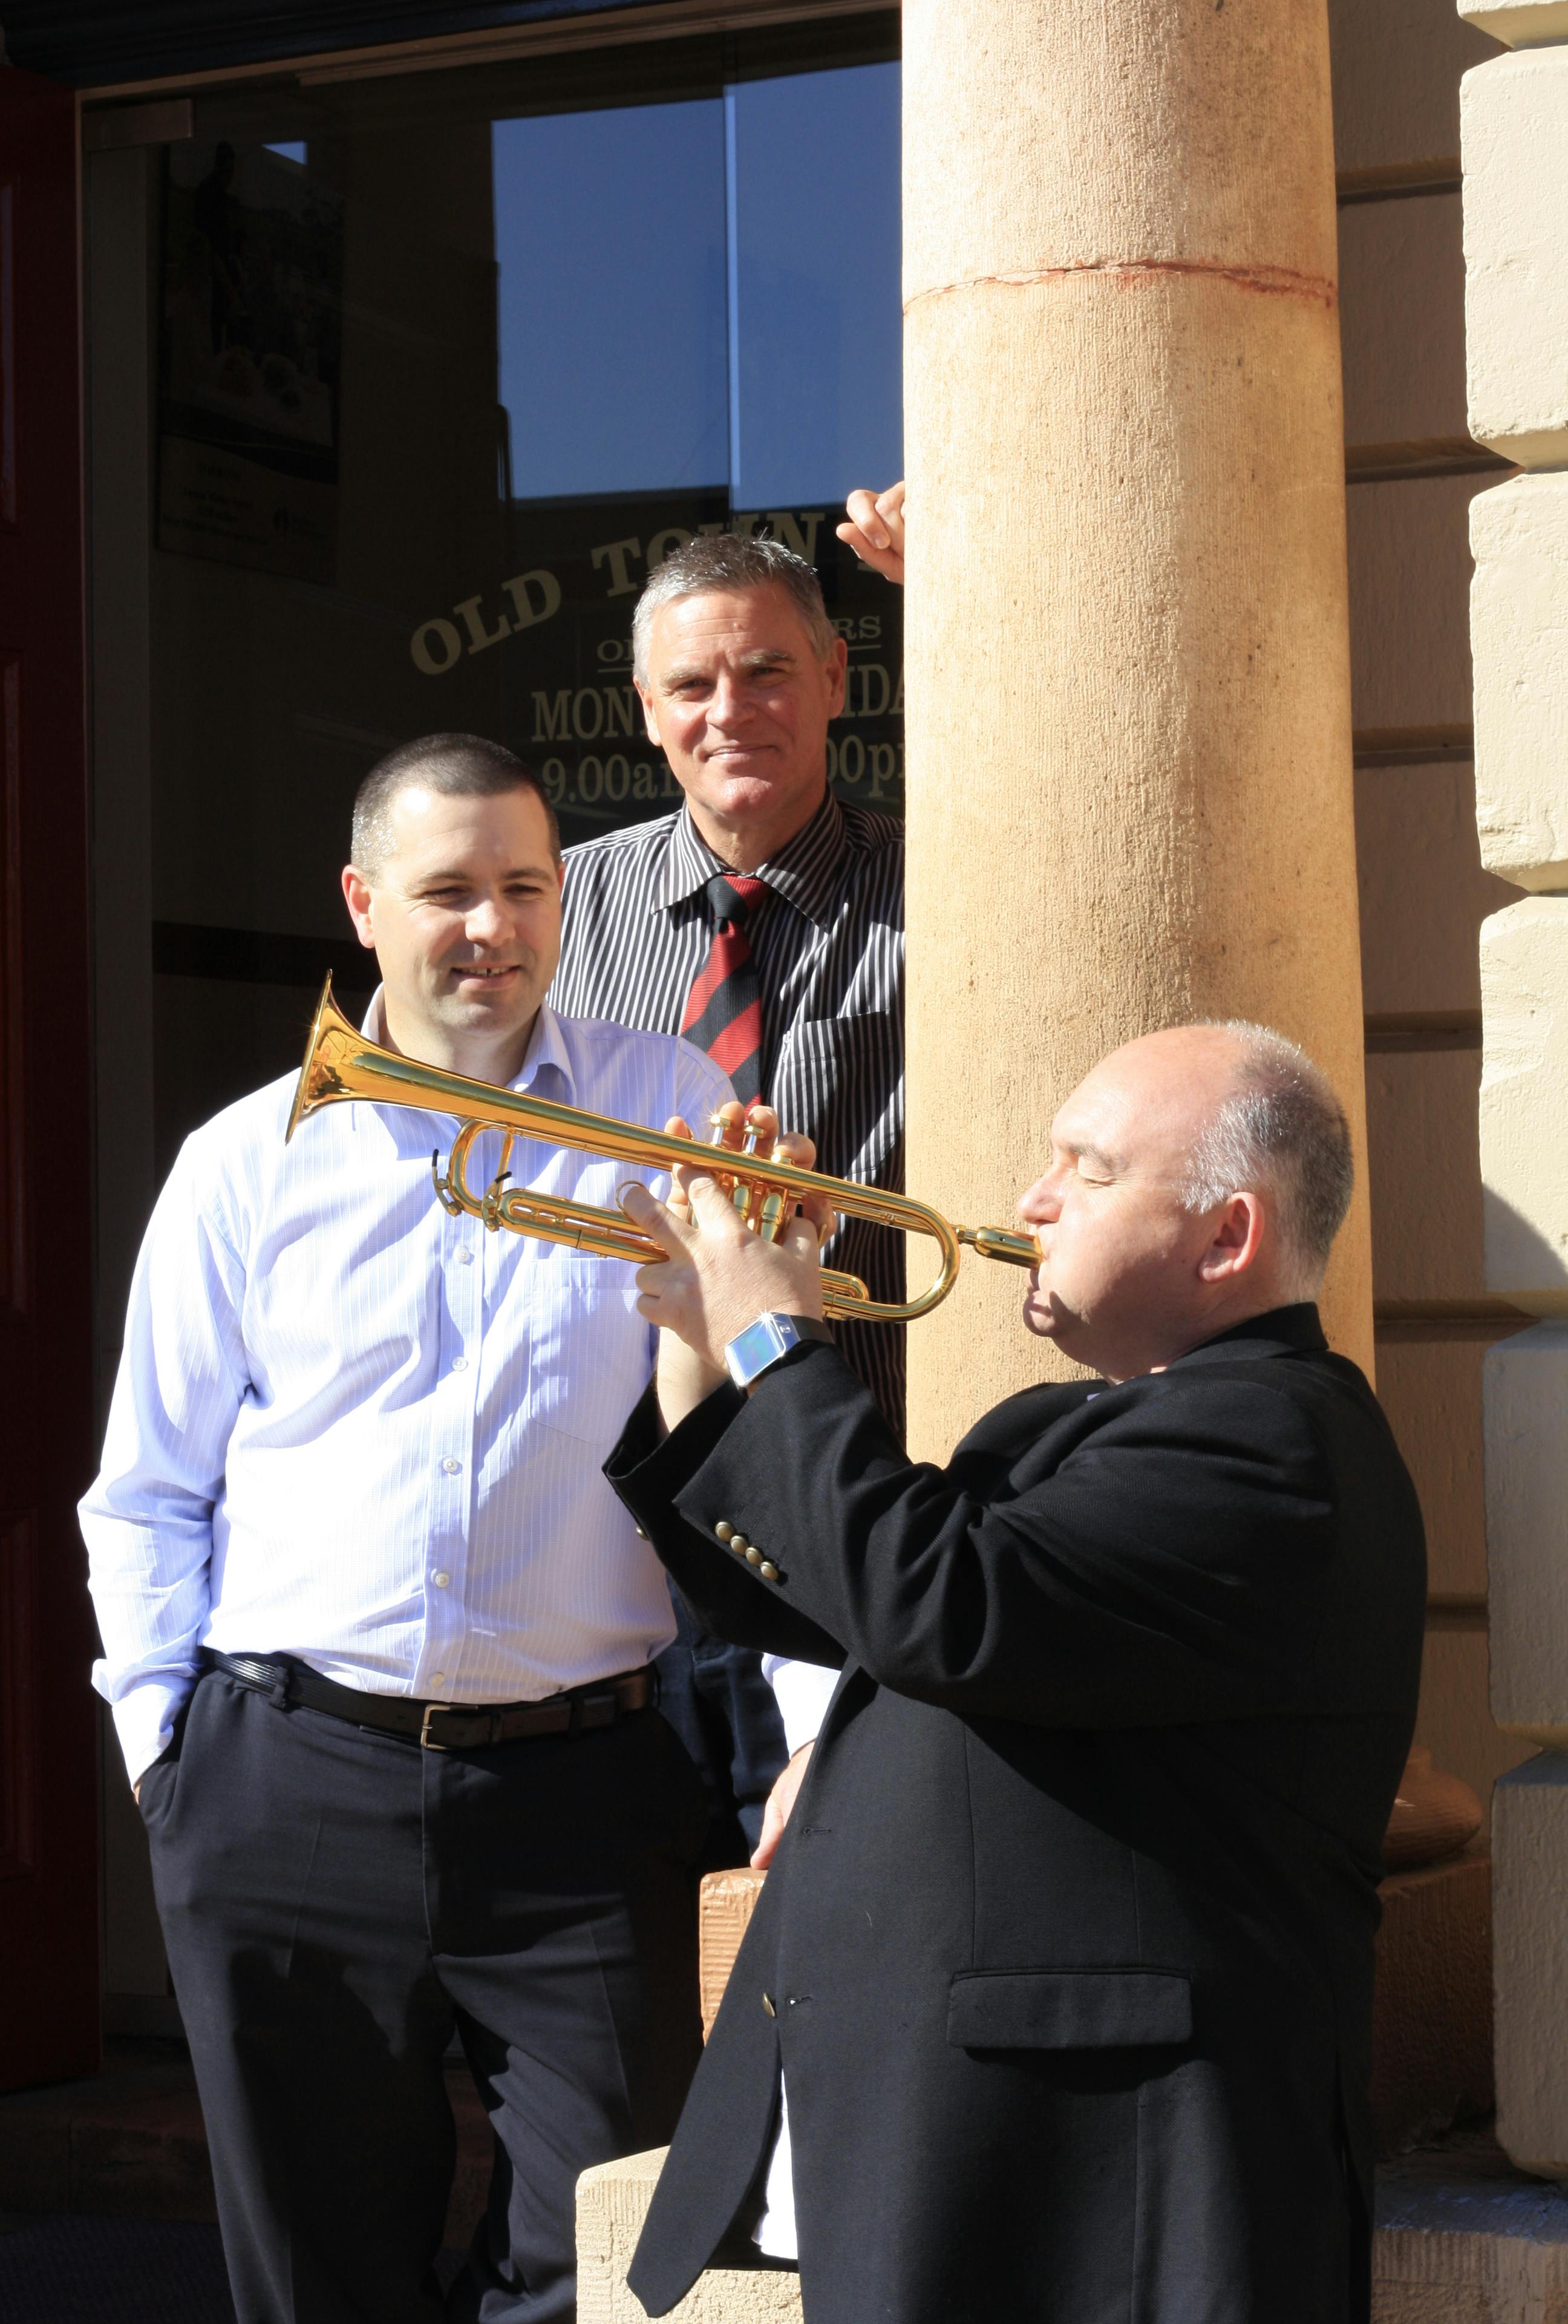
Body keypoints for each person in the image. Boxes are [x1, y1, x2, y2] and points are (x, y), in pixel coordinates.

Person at [603, 1022, 1428, 2324]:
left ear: (1228, 1238)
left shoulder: (1276, 1444)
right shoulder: (1059, 1426)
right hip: (966, 2166)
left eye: (1088, 1171)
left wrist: (776, 1339)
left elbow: (934, 1604)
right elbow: (828, 1600)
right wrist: (703, 1356)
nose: (1032, 1201)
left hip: (1109, 2203)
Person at [79, 735, 737, 2324]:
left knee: (610, 2262)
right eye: (448, 892)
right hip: (289, 1778)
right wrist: (166, 1754)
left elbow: (734, 1433)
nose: (490, 928)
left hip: (585, 1792)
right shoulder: (248, 1161)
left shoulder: (673, 1106)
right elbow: (150, 1488)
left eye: (525, 887)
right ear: (366, 905)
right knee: (318, 2279)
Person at [551, 499, 904, 1869]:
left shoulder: (952, 885)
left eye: (766, 670)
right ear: (646, 710)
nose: (730, 708)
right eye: (691, 683)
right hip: (607, 1539)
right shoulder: (564, 910)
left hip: (836, 1517)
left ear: (832, 680)